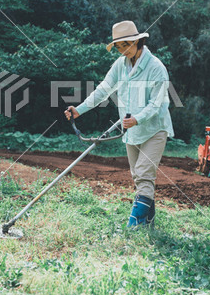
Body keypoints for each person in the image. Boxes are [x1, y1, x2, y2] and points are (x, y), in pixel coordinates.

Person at [64, 20, 174, 228]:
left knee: (143, 174)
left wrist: (137, 118)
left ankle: (133, 227)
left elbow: (156, 104)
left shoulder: (156, 67)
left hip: (154, 128)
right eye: (119, 47)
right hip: (131, 130)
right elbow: (103, 90)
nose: (122, 51)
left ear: (138, 41)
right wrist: (79, 110)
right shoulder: (120, 65)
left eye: (126, 45)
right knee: (138, 177)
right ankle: (147, 225)